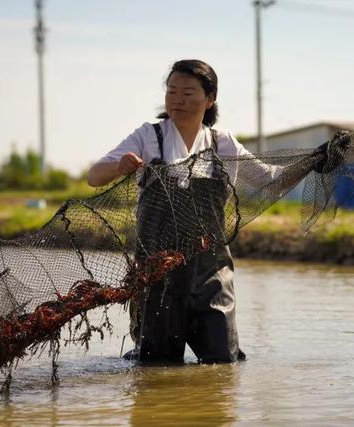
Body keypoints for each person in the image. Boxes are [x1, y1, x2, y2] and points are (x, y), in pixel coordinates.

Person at [87, 59, 247, 363]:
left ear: (210, 99)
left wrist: (316, 162)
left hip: (211, 271)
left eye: (188, 93)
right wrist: (117, 167)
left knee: (222, 361)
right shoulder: (149, 137)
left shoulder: (222, 143)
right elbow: (94, 177)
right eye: (172, 92)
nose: (177, 100)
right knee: (156, 365)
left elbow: (267, 176)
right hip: (156, 272)